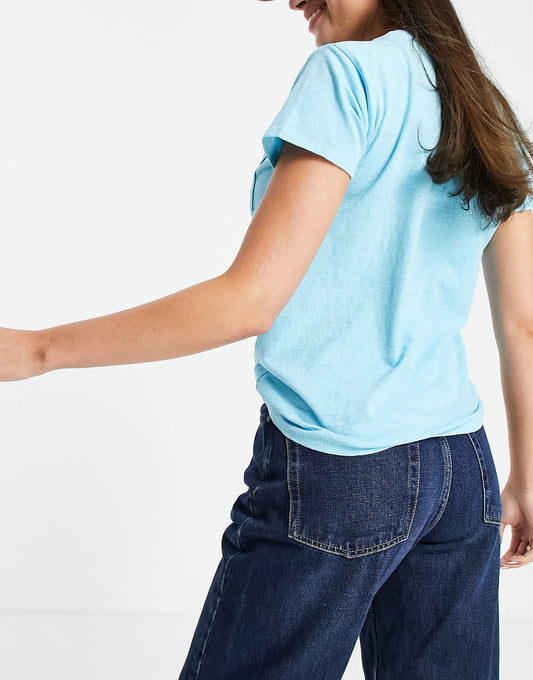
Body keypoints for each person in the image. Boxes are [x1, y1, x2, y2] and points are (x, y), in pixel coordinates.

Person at [1, 0, 532, 678]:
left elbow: (250, 300)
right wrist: (528, 473)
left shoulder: (348, 76)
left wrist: (36, 350)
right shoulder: (481, 105)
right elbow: (523, 323)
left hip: (341, 466)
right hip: (462, 474)